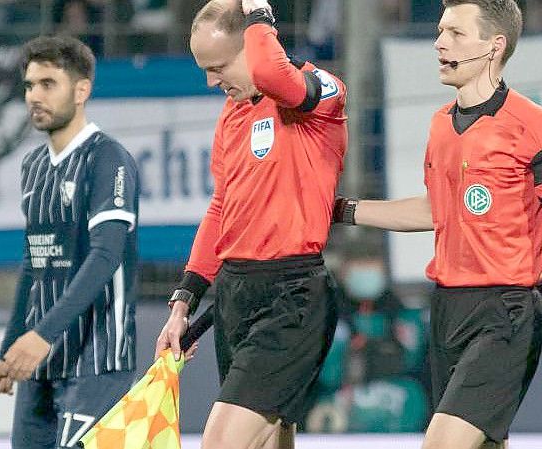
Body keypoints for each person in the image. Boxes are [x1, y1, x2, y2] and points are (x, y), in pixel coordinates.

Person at [334, 1, 542, 448]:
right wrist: (343, 210)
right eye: (441, 31)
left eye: (456, 34)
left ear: (494, 46)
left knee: (441, 443)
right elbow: (436, 211)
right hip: (447, 311)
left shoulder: (533, 126)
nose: (440, 42)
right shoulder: (441, 124)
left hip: (505, 315)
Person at [154, 1, 348, 448]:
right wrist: (184, 302)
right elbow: (221, 208)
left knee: (221, 442)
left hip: (294, 297)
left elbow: (272, 72)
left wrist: (259, 10)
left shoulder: (321, 93)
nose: (210, 81)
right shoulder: (232, 116)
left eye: (219, 66)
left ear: (254, 43)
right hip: (236, 295)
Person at [0, 36, 140, 449]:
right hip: (40, 363)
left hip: (98, 362)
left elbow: (107, 256)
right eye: (30, 85)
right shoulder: (33, 166)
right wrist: (9, 347)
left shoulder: (109, 159)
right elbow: (34, 264)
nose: (34, 95)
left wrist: (41, 336)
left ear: (81, 89)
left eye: (48, 83)